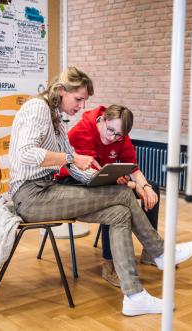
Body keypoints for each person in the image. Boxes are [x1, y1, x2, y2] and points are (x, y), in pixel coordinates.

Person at [9, 66, 192, 316]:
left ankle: (134, 296)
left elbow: (74, 166)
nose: (81, 105)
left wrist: (94, 176)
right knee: (122, 195)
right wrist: (72, 158)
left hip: (45, 191)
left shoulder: (57, 119)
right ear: (62, 90)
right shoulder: (37, 108)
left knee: (119, 212)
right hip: (31, 196)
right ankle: (160, 252)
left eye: (84, 100)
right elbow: (26, 154)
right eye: (78, 99)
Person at [59, 104, 160, 287]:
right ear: (103, 120)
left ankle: (151, 252)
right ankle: (110, 263)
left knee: (152, 188)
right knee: (114, 201)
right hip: (73, 181)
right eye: (110, 130)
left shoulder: (120, 133)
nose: (112, 137)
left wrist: (144, 186)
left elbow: (133, 166)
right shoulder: (82, 131)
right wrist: (131, 184)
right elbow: (91, 173)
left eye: (119, 135)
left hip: (103, 179)